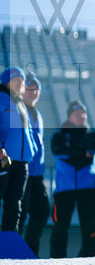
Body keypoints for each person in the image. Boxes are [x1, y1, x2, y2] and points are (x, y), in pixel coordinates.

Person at [50, 101, 95, 258]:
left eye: (83, 113)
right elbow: (59, 150)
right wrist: (83, 152)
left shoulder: (93, 135)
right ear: (69, 116)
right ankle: (57, 259)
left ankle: (88, 258)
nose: (82, 115)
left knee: (90, 227)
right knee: (60, 226)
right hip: (64, 188)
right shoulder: (59, 136)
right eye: (77, 113)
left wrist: (73, 150)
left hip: (88, 187)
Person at [0, 66, 33, 232]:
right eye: (16, 79)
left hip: (22, 162)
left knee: (14, 203)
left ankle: (9, 243)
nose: (21, 82)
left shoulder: (21, 104)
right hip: (4, 159)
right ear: (6, 82)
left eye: (22, 80)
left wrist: (31, 151)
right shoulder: (1, 99)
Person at [19, 74, 49, 256]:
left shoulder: (38, 114)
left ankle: (30, 251)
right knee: (19, 215)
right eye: (29, 88)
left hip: (37, 174)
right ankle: (13, 252)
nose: (34, 92)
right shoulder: (17, 109)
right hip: (22, 170)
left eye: (36, 89)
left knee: (42, 211)